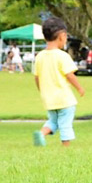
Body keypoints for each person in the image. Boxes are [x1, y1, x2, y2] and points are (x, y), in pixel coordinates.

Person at [33, 17, 85, 147]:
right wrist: (79, 88)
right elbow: (70, 75)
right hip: (64, 99)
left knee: (53, 121)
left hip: (49, 99)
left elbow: (37, 77)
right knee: (65, 123)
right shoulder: (62, 56)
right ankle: (65, 148)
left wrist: (42, 90)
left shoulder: (39, 56)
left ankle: (41, 133)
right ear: (62, 36)